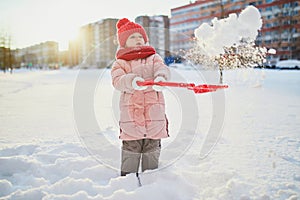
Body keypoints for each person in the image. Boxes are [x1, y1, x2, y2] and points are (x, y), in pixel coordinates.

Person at [111, 18, 170, 176]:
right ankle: (128, 183)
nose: (137, 39)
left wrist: (161, 79)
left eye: (140, 36)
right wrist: (131, 81)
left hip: (154, 117)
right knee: (131, 151)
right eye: (132, 37)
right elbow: (117, 80)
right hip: (131, 118)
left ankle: (150, 182)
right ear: (123, 43)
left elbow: (161, 69)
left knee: (152, 149)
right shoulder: (121, 63)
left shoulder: (153, 58)